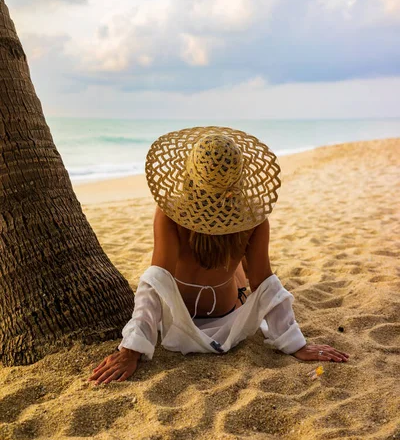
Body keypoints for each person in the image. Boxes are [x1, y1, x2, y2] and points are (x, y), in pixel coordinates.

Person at [89, 127, 349, 386]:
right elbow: (263, 282)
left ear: (189, 174)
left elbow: (157, 279)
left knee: (166, 264)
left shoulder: (171, 212)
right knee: (241, 270)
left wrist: (131, 350)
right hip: (226, 313)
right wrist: (295, 343)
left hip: (178, 318)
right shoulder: (253, 217)